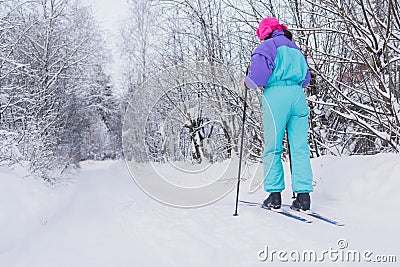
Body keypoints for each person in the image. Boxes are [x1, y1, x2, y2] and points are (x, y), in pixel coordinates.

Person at [244, 17, 313, 211]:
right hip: (298, 97)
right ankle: (303, 197)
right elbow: (306, 79)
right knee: (300, 148)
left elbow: (257, 78)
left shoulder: (266, 48)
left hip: (276, 97)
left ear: (264, 32)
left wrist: (246, 82)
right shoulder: (296, 50)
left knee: (273, 148)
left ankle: (274, 197)